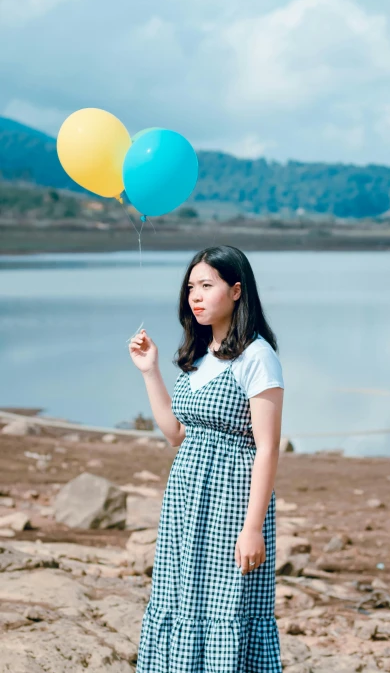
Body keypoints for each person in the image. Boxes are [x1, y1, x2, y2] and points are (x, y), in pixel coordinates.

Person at [129, 245, 285, 672]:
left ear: (236, 291)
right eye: (191, 287)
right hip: (185, 500)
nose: (195, 296)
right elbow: (178, 433)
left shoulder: (257, 357)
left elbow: (268, 447)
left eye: (207, 286)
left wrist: (253, 528)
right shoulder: (198, 357)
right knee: (180, 600)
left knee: (227, 607)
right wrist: (151, 371)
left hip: (231, 502)